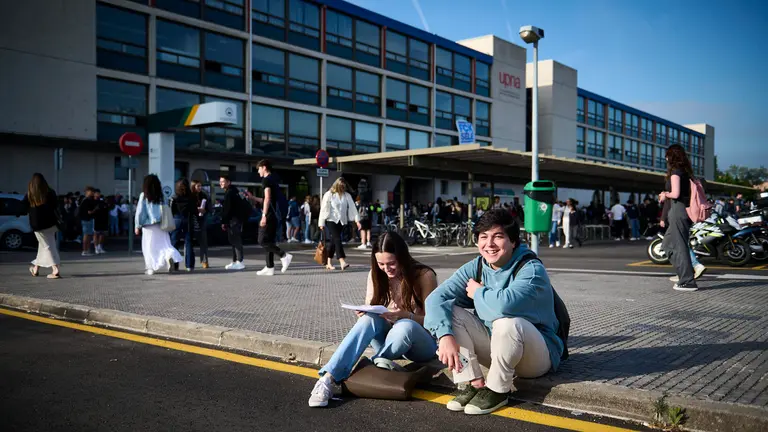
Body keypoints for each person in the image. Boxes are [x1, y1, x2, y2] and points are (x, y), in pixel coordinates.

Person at [424, 209, 563, 415]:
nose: (489, 244)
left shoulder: (531, 269)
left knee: (506, 322)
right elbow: (435, 299)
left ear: (514, 241)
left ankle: (498, 389)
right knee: (450, 313)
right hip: (497, 349)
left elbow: (504, 307)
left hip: (536, 356)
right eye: (483, 237)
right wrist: (445, 335)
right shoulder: (477, 266)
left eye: (498, 236)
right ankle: (473, 381)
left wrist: (478, 292)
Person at [308, 232, 439, 408]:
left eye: (392, 263)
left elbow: (434, 322)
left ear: (402, 257)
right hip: (389, 340)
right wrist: (365, 311)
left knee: (405, 325)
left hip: (420, 343)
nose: (386, 269)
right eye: (381, 264)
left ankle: (375, 363)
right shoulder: (376, 274)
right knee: (368, 320)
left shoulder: (424, 275)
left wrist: (404, 315)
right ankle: (328, 379)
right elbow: (371, 306)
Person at [659, 144, 697, 291]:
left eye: (667, 155)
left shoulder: (675, 172)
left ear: (671, 156)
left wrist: (664, 194)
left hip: (678, 210)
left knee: (679, 246)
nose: (665, 158)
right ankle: (683, 273)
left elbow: (675, 194)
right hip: (681, 210)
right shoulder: (685, 172)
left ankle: (688, 281)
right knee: (667, 245)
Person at [135, 175, 182, 275]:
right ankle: (169, 256)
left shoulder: (144, 195)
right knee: (164, 245)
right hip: (161, 225)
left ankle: (151, 268)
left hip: (148, 226)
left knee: (149, 247)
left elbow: (140, 212)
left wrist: (138, 225)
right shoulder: (162, 195)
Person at [20, 173, 61, 279]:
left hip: (37, 224)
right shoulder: (50, 192)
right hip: (51, 223)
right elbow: (55, 205)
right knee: (45, 245)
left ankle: (55, 269)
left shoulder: (30, 193)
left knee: (47, 245)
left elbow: (23, 208)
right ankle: (35, 269)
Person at [255, 159, 292, 276]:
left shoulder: (266, 180)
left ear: (264, 167)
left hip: (270, 215)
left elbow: (267, 199)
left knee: (262, 240)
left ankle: (284, 255)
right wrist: (252, 198)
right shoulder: (273, 179)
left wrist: (264, 216)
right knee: (269, 240)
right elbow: (267, 199)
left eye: (259, 169)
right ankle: (269, 267)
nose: (258, 172)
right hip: (276, 214)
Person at [319, 177, 361, 271]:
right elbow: (324, 209)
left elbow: (353, 208)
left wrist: (357, 221)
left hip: (342, 221)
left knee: (334, 242)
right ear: (337, 185)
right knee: (337, 238)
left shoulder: (347, 196)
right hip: (331, 220)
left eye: (344, 186)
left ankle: (328, 262)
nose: (343, 187)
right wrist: (321, 222)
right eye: (341, 186)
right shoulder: (329, 194)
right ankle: (342, 261)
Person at [219, 175, 247, 270]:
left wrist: (224, 221)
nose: (221, 183)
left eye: (223, 181)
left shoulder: (229, 193)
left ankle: (240, 261)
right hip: (237, 219)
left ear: (228, 182)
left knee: (235, 240)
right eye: (220, 181)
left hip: (233, 220)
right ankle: (235, 261)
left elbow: (227, 209)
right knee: (233, 240)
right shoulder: (236, 191)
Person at [170, 178, 196, 272]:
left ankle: (174, 265)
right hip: (188, 220)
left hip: (176, 219)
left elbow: (171, 211)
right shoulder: (191, 197)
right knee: (188, 243)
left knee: (174, 243)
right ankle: (189, 265)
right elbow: (194, 211)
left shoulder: (174, 197)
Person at [191, 180, 210, 269]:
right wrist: (196, 209)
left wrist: (205, 210)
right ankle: (190, 262)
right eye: (198, 186)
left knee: (203, 241)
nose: (200, 188)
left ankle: (204, 261)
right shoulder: (190, 196)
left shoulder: (204, 195)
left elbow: (209, 207)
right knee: (189, 242)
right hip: (192, 220)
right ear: (193, 186)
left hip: (202, 219)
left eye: (200, 186)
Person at [78, 186, 98, 256]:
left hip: (87, 219)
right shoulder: (86, 200)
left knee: (89, 235)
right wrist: (95, 209)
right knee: (86, 235)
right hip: (86, 219)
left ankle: (87, 250)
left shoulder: (86, 200)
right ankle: (85, 250)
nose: (93, 193)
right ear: (87, 191)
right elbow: (89, 212)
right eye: (91, 191)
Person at [92, 189, 109, 254]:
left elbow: (106, 209)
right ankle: (96, 247)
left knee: (102, 234)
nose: (98, 194)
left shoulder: (102, 202)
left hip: (103, 220)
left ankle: (100, 246)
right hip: (96, 219)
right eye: (96, 193)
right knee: (96, 233)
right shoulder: (92, 202)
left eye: (98, 193)